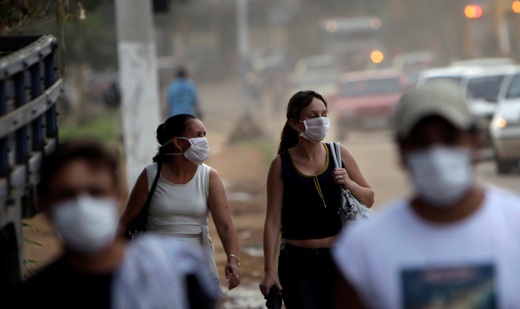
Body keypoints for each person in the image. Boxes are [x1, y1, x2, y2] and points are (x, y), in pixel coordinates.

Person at [332, 82, 520, 308]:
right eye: (421, 141)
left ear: (475, 143)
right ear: (401, 151)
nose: (436, 153)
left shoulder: (514, 225)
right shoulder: (363, 249)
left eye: (449, 137)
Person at [8, 139, 219, 308]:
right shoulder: (31, 298)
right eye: (67, 195)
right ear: (44, 204)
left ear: (117, 196)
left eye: (95, 192)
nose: (83, 205)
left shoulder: (177, 273)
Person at [259, 90, 375, 309]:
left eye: (324, 113)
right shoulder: (280, 164)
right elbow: (273, 221)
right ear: (295, 123)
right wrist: (268, 270)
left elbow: (369, 198)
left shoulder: (338, 153)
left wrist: (349, 182)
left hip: (339, 259)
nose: (321, 120)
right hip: (296, 262)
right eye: (312, 116)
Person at [120, 113, 241, 292]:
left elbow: (225, 226)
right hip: (157, 273)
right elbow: (124, 223)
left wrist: (232, 259)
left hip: (199, 272)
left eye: (204, 135)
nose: (204, 141)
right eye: (198, 135)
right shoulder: (151, 175)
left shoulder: (209, 177)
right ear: (178, 142)